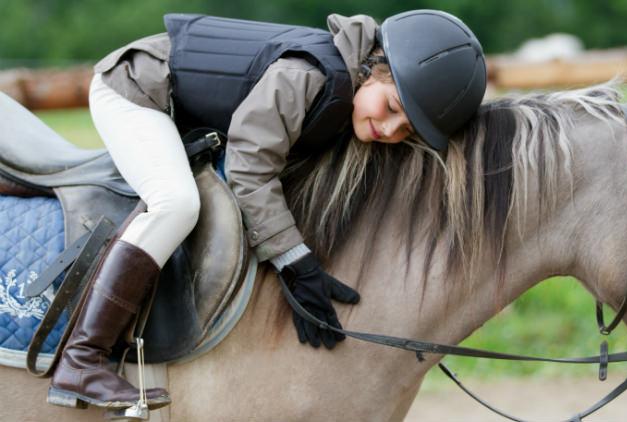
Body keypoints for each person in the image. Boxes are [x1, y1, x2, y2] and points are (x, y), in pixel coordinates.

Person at [47, 10, 487, 412]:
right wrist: (296, 261)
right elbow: (250, 165)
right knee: (176, 204)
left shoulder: (348, 89)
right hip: (135, 90)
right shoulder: (307, 77)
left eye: (404, 128)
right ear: (372, 70)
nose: (387, 129)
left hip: (178, 106)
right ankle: (82, 357)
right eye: (391, 107)